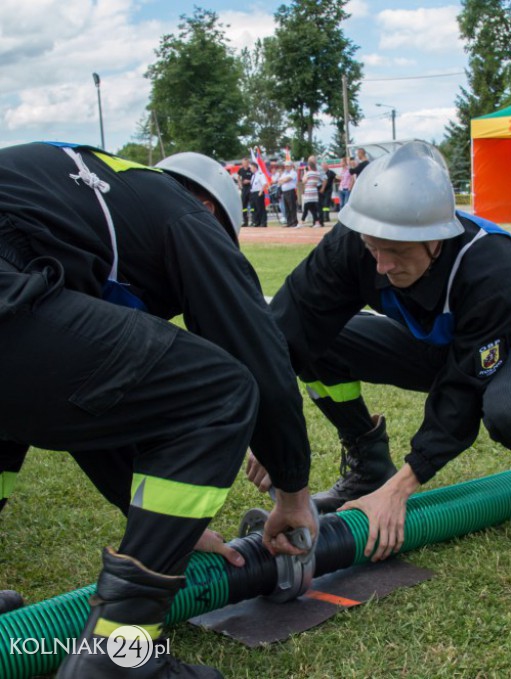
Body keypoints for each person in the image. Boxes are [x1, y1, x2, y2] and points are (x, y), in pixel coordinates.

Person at [251, 141, 511, 569]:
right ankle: (367, 469)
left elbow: (462, 391)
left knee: (510, 411)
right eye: (372, 248)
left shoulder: (490, 263)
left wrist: (400, 490)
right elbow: (288, 329)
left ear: (436, 240)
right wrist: (268, 430)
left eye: (397, 252)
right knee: (319, 347)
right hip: (432, 347)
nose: (381, 265)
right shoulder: (355, 242)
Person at [0, 143, 317, 678]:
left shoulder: (91, 198)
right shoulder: (186, 214)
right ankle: (118, 660)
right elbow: (258, 353)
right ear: (214, 210)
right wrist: (293, 492)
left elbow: (88, 401)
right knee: (219, 390)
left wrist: (171, 526)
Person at [297, 155, 323, 228]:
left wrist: (305, 172)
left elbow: (304, 181)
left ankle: (301, 221)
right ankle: (317, 222)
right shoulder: (317, 173)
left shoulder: (308, 173)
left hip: (309, 192)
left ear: (309, 167)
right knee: (313, 208)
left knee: (306, 207)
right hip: (314, 192)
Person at [279, 160, 299, 227]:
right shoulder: (284, 173)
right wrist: (284, 180)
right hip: (284, 192)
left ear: (291, 166)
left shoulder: (293, 172)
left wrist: (283, 180)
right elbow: (280, 181)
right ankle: (289, 222)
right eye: (285, 166)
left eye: (287, 166)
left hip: (291, 191)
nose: (286, 167)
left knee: (292, 207)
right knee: (287, 207)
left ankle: (294, 222)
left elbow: (288, 179)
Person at [236, 157, 254, 227]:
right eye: (243, 163)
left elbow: (254, 178)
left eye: (245, 163)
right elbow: (238, 177)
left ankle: (253, 220)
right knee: (244, 205)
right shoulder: (241, 170)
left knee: (252, 205)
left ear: (248, 163)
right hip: (244, 189)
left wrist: (248, 181)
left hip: (250, 188)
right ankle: (245, 221)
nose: (244, 164)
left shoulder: (250, 170)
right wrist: (240, 184)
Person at [320, 162, 337, 227]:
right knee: (322, 204)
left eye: (324, 166)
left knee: (326, 204)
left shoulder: (331, 172)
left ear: (327, 166)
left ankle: (326, 217)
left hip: (328, 191)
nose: (323, 167)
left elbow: (336, 177)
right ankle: (324, 217)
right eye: (323, 166)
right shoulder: (321, 173)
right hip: (322, 191)